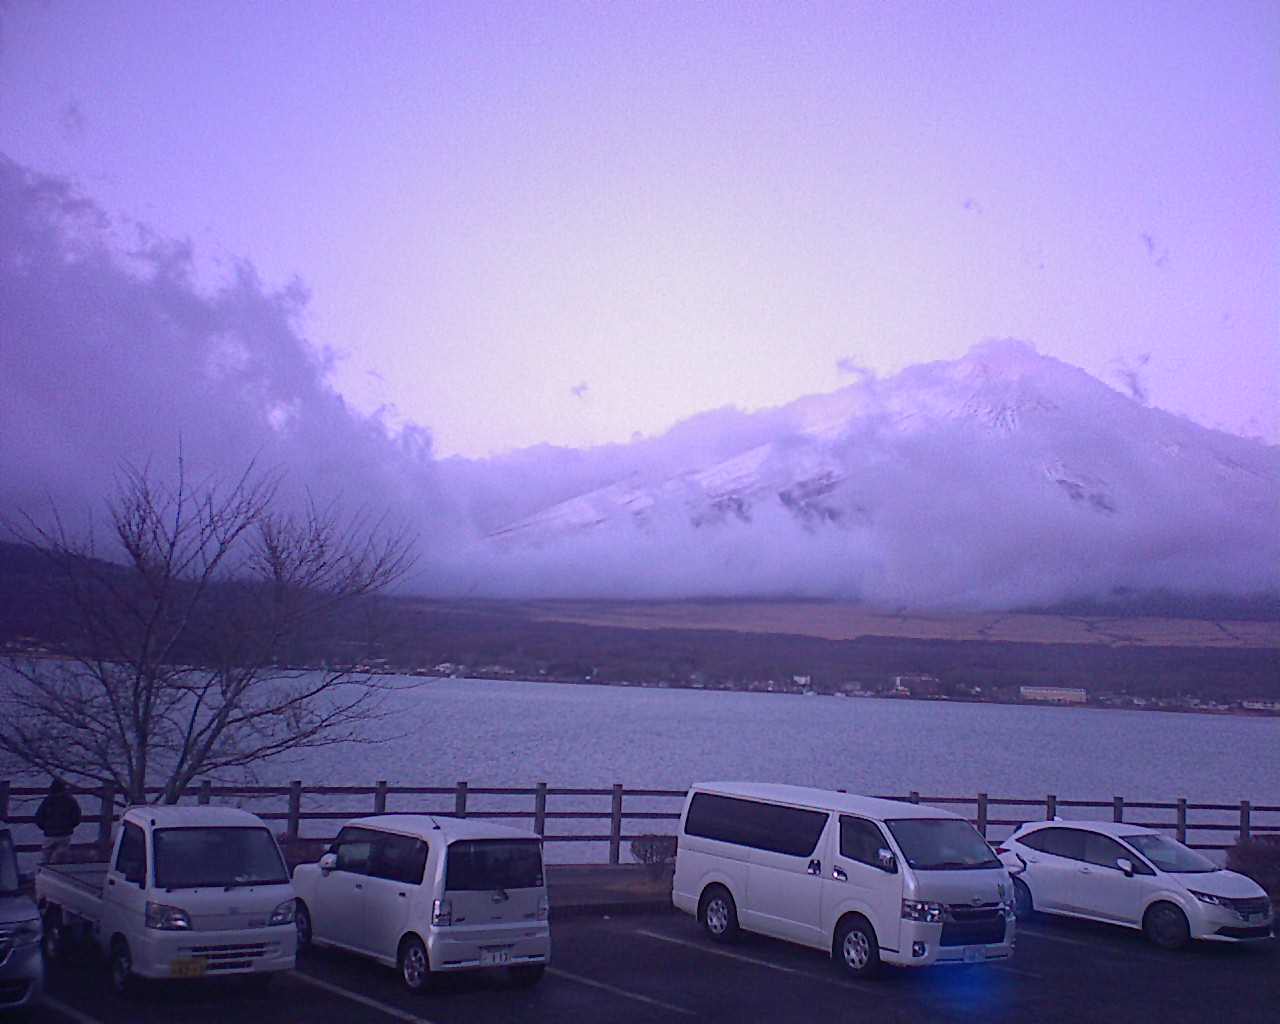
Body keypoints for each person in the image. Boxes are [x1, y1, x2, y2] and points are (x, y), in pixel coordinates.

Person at [34, 778, 82, 864]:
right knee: (62, 859)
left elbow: (39, 817)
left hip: (49, 834)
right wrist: (69, 826)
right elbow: (76, 817)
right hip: (65, 834)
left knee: (45, 858)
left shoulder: (47, 801)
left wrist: (45, 828)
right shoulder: (70, 800)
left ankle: (43, 874)